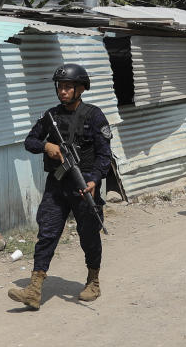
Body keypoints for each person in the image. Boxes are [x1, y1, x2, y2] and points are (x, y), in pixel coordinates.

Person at [7, 63, 112, 309]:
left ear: (81, 89)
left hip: (84, 184)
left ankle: (93, 281)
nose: (63, 91)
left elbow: (104, 154)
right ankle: (34, 289)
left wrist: (95, 179)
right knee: (47, 233)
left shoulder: (94, 115)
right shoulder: (50, 116)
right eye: (60, 87)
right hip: (57, 183)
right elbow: (30, 141)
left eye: (68, 87)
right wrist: (48, 147)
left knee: (88, 235)